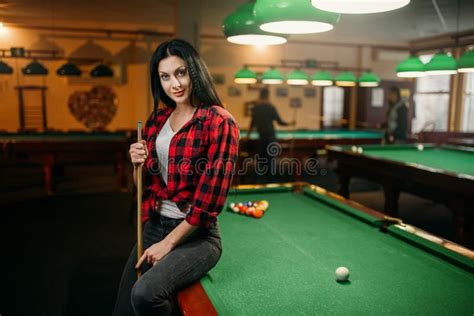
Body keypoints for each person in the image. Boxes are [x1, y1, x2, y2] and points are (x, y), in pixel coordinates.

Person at [113, 39, 239, 316]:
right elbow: (144, 188)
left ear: (195, 71)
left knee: (145, 294)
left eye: (181, 72)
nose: (175, 84)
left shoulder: (219, 121)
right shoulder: (157, 120)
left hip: (197, 238)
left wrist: (168, 243)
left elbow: (210, 201)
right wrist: (138, 165)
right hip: (154, 224)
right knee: (123, 308)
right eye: (165, 77)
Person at [247, 88, 292, 183]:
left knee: (261, 159)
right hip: (271, 137)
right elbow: (280, 122)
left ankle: (259, 181)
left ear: (260, 95)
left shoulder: (256, 107)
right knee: (271, 159)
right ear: (267, 96)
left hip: (261, 138)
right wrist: (290, 123)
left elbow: (252, 123)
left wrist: (248, 135)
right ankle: (271, 181)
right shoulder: (271, 107)